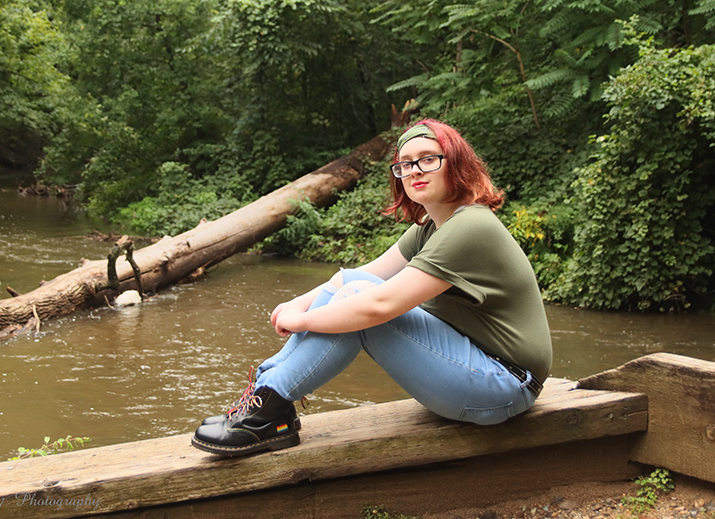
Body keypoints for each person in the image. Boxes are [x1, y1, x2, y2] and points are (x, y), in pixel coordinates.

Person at [191, 119, 552, 457]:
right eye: (405, 164)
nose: (414, 171)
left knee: (362, 303)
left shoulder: (471, 226)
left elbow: (380, 304)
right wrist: (297, 303)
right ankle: (265, 401)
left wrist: (303, 321)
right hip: (478, 371)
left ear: (456, 164)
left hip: (506, 386)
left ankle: (267, 411)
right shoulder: (431, 227)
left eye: (428, 159)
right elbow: (361, 274)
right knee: (353, 284)